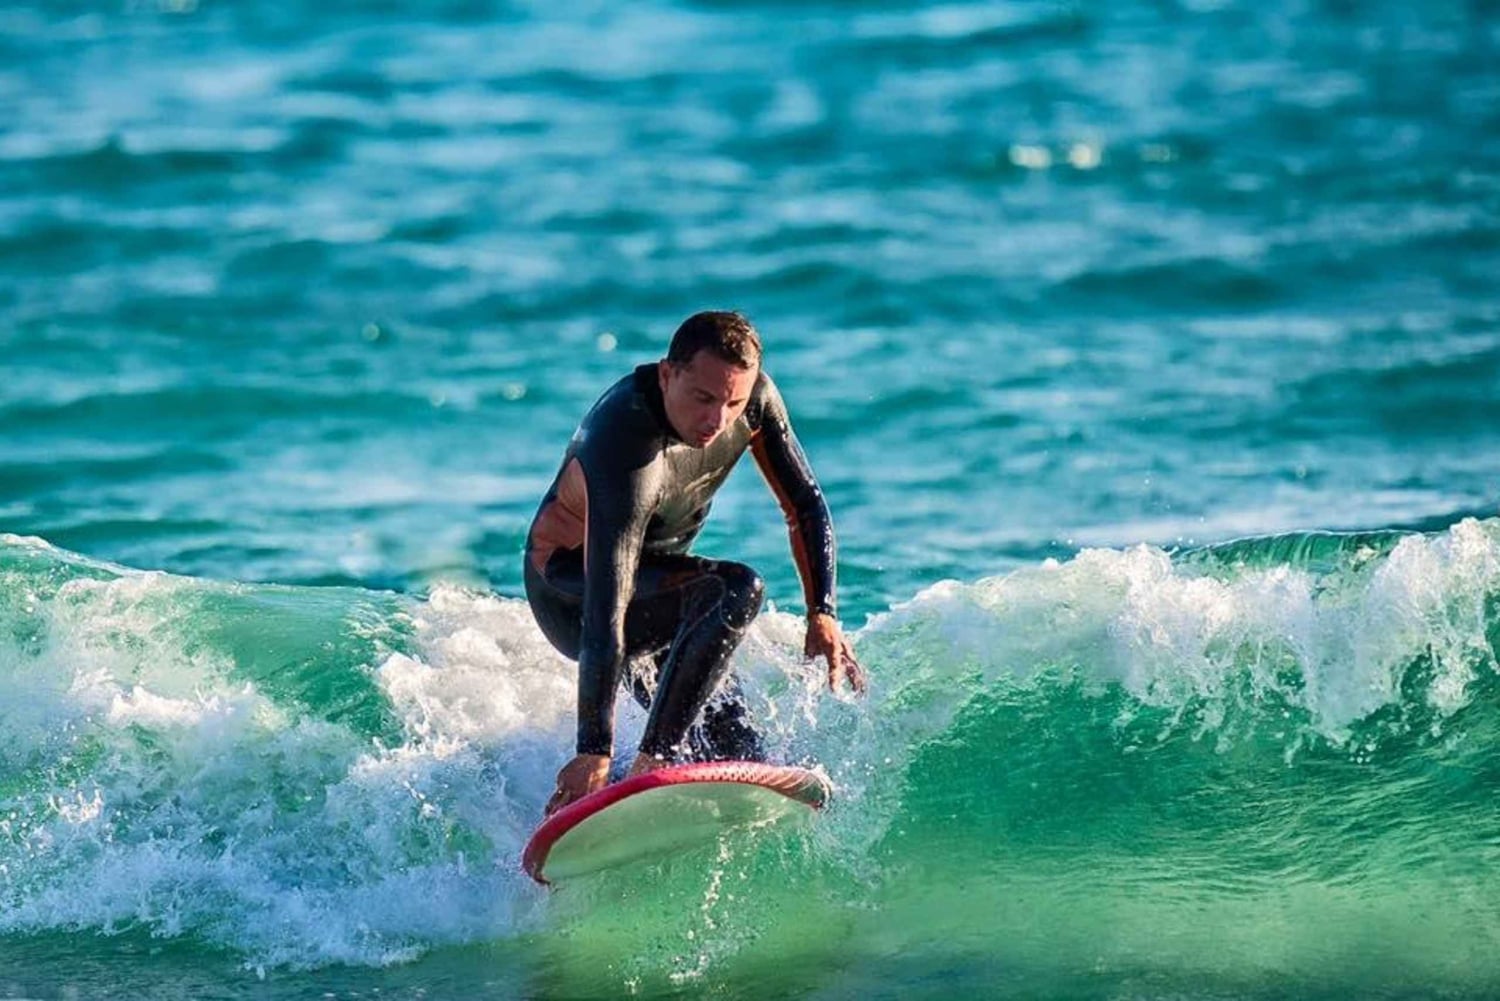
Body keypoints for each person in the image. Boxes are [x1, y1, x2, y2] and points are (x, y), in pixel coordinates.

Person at [524, 310, 865, 816]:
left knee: (738, 749)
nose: (717, 419)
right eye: (703, 398)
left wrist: (824, 613)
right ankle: (643, 767)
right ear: (667, 374)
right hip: (573, 595)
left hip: (658, 589)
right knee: (736, 588)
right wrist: (591, 748)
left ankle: (623, 797)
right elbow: (606, 606)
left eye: (733, 402)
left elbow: (805, 503)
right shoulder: (625, 440)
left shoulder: (755, 404)